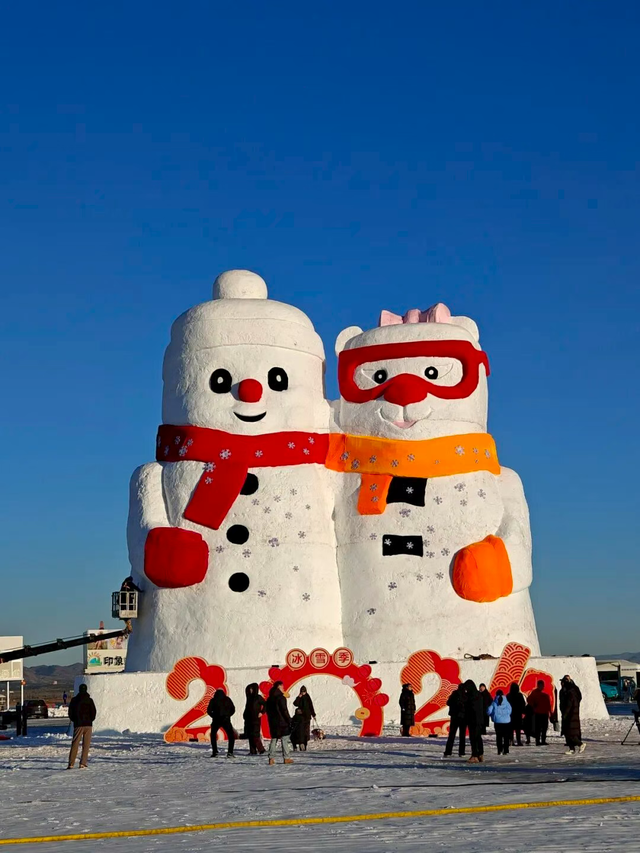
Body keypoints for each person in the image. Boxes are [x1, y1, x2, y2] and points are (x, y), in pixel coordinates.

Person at [67, 684, 97, 769]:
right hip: (88, 724)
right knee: (86, 745)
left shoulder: (74, 700)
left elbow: (70, 713)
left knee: (75, 743)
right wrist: (90, 720)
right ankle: (83, 763)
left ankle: (71, 763)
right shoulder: (89, 700)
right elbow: (93, 712)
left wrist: (75, 720)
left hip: (78, 724)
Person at [266, 681, 294, 765]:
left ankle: (271, 758)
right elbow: (284, 710)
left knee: (274, 739)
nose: (283, 688)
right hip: (282, 722)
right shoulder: (281, 698)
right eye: (282, 686)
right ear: (279, 687)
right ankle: (286, 758)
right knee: (284, 739)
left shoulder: (269, 699)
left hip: (272, 722)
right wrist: (289, 720)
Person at [559, 675, 585, 755]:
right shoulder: (566, 690)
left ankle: (580, 744)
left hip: (571, 714)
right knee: (568, 732)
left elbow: (569, 704)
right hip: (571, 713)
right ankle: (571, 749)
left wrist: (565, 713)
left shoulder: (571, 691)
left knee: (570, 732)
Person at [207, 689, 236, 758]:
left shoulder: (213, 700)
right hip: (226, 720)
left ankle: (215, 752)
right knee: (231, 736)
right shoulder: (227, 699)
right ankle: (230, 752)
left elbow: (209, 710)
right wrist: (228, 715)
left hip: (216, 720)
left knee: (213, 736)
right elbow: (233, 709)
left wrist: (214, 716)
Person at [464, 680, 485, 763]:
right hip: (479, 719)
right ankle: (480, 754)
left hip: (473, 720)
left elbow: (470, 709)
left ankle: (474, 755)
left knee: (473, 738)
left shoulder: (471, 696)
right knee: (478, 737)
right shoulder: (479, 695)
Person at [443, 684, 467, 757]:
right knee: (462, 736)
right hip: (463, 718)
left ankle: (448, 752)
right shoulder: (466, 696)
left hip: (454, 717)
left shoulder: (454, 694)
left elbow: (448, 703)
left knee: (451, 735)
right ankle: (461, 752)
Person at [243, 683, 266, 755]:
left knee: (255, 734)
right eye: (250, 689)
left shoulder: (258, 697)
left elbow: (265, 704)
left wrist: (262, 712)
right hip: (248, 719)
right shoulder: (249, 698)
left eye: (252, 689)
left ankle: (261, 749)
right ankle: (252, 751)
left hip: (256, 718)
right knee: (250, 735)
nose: (250, 690)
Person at [487, 689, 512, 755]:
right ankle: (506, 750)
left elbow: (489, 710)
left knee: (499, 737)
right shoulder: (506, 702)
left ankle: (499, 750)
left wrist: (492, 715)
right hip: (506, 722)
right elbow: (510, 710)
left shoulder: (494, 702)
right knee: (506, 737)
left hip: (498, 722)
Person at [527, 680, 552, 746]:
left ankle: (543, 740)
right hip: (538, 713)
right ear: (538, 685)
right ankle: (538, 741)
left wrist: (550, 712)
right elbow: (529, 700)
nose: (541, 686)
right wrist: (533, 705)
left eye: (542, 685)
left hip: (544, 713)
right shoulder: (534, 693)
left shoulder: (545, 694)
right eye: (540, 685)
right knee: (538, 728)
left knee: (544, 728)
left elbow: (548, 704)